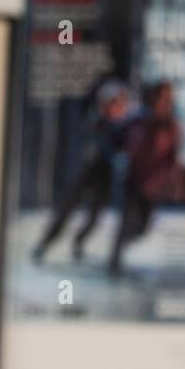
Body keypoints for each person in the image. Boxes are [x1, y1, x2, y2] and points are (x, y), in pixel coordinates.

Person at [31, 79, 132, 264]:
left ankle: (79, 242)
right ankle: (44, 244)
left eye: (120, 104)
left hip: (104, 180)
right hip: (85, 176)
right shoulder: (95, 123)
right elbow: (96, 146)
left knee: (94, 218)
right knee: (65, 213)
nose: (117, 108)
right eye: (114, 103)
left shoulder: (125, 127)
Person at [108, 81, 185, 277]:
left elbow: (173, 158)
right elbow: (122, 142)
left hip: (153, 187)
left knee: (142, 228)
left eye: (168, 99)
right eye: (161, 98)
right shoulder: (139, 121)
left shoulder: (173, 127)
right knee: (127, 222)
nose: (164, 103)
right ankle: (114, 263)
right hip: (133, 182)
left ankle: (122, 246)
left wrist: (177, 183)